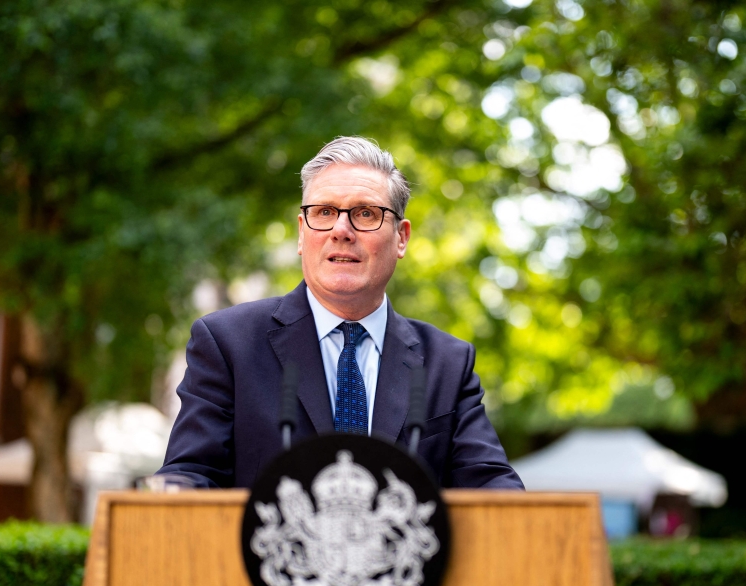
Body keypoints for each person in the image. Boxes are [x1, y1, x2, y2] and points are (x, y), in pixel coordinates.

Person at [158, 137, 523, 489]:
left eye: (365, 213)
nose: (341, 230)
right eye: (324, 212)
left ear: (401, 237)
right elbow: (187, 481)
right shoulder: (228, 344)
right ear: (301, 233)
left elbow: (496, 493)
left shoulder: (448, 363)